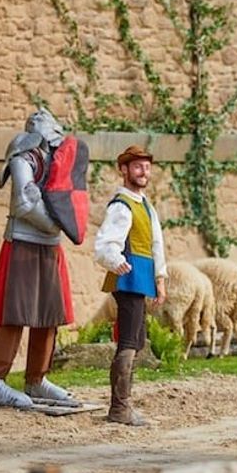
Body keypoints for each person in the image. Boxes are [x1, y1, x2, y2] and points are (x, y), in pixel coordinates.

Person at [0, 108, 76, 409]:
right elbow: (23, 201)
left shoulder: (57, 164)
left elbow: (68, 200)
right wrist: (54, 222)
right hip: (23, 243)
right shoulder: (23, 159)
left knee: (48, 315)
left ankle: (37, 379)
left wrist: (64, 222)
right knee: (14, 313)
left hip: (50, 247)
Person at [94, 145, 168, 426]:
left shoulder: (145, 205)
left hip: (141, 280)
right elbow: (104, 244)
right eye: (137, 167)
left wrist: (160, 279)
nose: (143, 172)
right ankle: (119, 408)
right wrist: (115, 260)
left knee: (136, 341)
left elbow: (155, 244)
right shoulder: (121, 206)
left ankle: (123, 405)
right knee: (128, 341)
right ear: (124, 170)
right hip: (128, 279)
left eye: (147, 167)